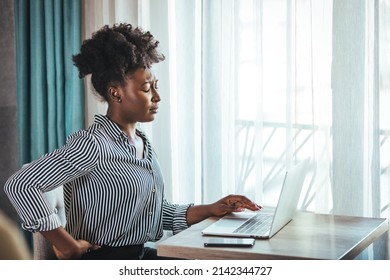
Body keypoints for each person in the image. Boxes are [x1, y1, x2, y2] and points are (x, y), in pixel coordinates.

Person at [4, 23, 261, 260]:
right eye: (147, 88)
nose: (157, 96)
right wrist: (67, 243)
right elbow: (21, 184)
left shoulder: (142, 143)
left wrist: (213, 208)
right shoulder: (93, 144)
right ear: (116, 92)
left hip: (144, 255)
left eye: (155, 86)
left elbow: (157, 214)